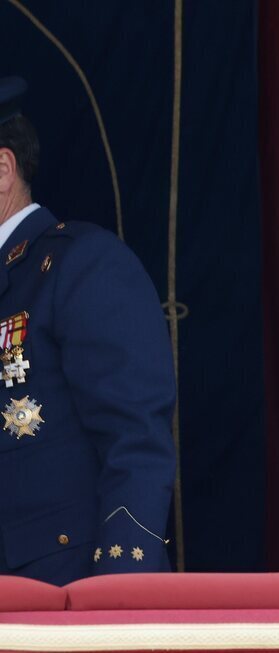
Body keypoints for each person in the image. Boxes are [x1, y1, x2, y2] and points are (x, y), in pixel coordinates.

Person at [0, 77, 176, 585]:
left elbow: (136, 442)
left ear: (4, 169)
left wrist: (118, 602)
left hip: (66, 600)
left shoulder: (81, 264)